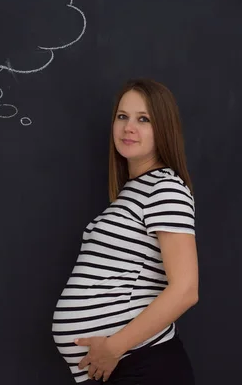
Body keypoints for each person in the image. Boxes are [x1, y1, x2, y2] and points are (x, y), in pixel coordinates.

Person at [52, 78, 199, 384]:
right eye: (123, 116)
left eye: (143, 119)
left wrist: (114, 347)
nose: (128, 127)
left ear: (164, 128)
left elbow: (185, 289)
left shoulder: (165, 188)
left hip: (143, 366)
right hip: (125, 368)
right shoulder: (134, 192)